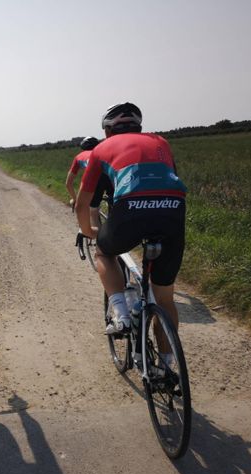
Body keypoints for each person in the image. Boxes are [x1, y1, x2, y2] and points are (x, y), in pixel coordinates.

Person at [75, 103, 187, 343]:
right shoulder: (161, 142)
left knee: (104, 253)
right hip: (173, 209)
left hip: (131, 208)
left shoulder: (101, 148)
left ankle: (121, 314)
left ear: (107, 131)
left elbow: (82, 204)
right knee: (165, 299)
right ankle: (167, 362)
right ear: (139, 128)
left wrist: (88, 231)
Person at [65, 136, 107, 227]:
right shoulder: (104, 153)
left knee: (93, 211)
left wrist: (75, 199)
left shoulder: (79, 156)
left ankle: (98, 235)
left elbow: (68, 183)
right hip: (111, 174)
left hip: (97, 176)